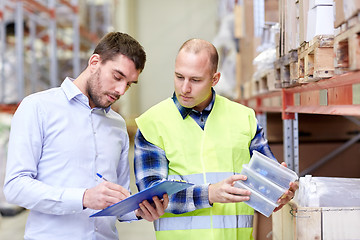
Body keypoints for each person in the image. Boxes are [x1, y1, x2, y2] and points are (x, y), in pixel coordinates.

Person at [4, 32, 169, 240]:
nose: (121, 90)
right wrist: (83, 198)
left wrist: (138, 210)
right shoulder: (38, 108)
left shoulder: (117, 125)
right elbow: (15, 187)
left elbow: (119, 200)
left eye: (128, 84)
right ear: (94, 62)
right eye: (117, 77)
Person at [134, 38, 298, 240]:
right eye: (179, 77)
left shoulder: (243, 117)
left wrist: (279, 190)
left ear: (215, 79)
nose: (184, 88)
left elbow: (264, 181)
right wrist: (209, 194)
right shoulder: (153, 123)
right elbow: (150, 195)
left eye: (195, 80)